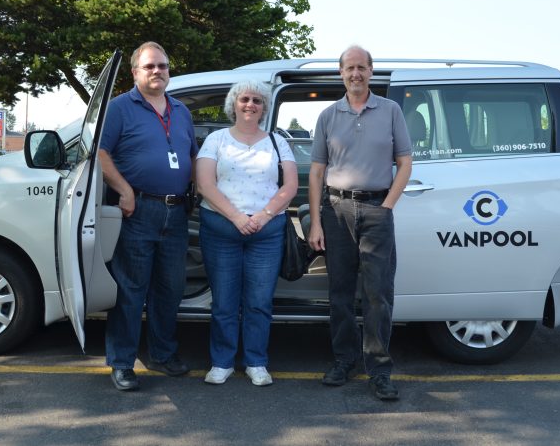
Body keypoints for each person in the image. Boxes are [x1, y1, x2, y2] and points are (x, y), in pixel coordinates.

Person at [307, 45, 413, 401]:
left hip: (376, 211)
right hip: (336, 212)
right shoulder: (327, 115)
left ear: (371, 71)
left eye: (362, 68)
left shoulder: (390, 110)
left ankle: (379, 370)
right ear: (341, 73)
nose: (356, 74)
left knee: (378, 295)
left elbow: (405, 162)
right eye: (349, 68)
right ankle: (344, 359)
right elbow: (317, 172)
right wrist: (316, 222)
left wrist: (386, 206)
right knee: (339, 294)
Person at [99, 41, 198, 391]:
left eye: (163, 66)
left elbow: (191, 156)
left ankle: (162, 354)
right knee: (130, 290)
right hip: (137, 210)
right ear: (135, 73)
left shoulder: (181, 110)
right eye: (150, 66)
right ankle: (122, 363)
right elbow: (100, 152)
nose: (158, 71)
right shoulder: (120, 108)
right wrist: (124, 190)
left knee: (169, 290)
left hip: (176, 212)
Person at [196, 81, 298, 386]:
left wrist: (264, 216)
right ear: (233, 104)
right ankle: (222, 362)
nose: (250, 104)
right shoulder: (216, 140)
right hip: (221, 228)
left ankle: (256, 361)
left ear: (264, 107)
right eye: (244, 99)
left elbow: (290, 186)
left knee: (259, 301)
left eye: (256, 100)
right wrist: (238, 217)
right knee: (224, 301)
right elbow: (205, 184)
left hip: (266, 232)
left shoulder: (278, 143)